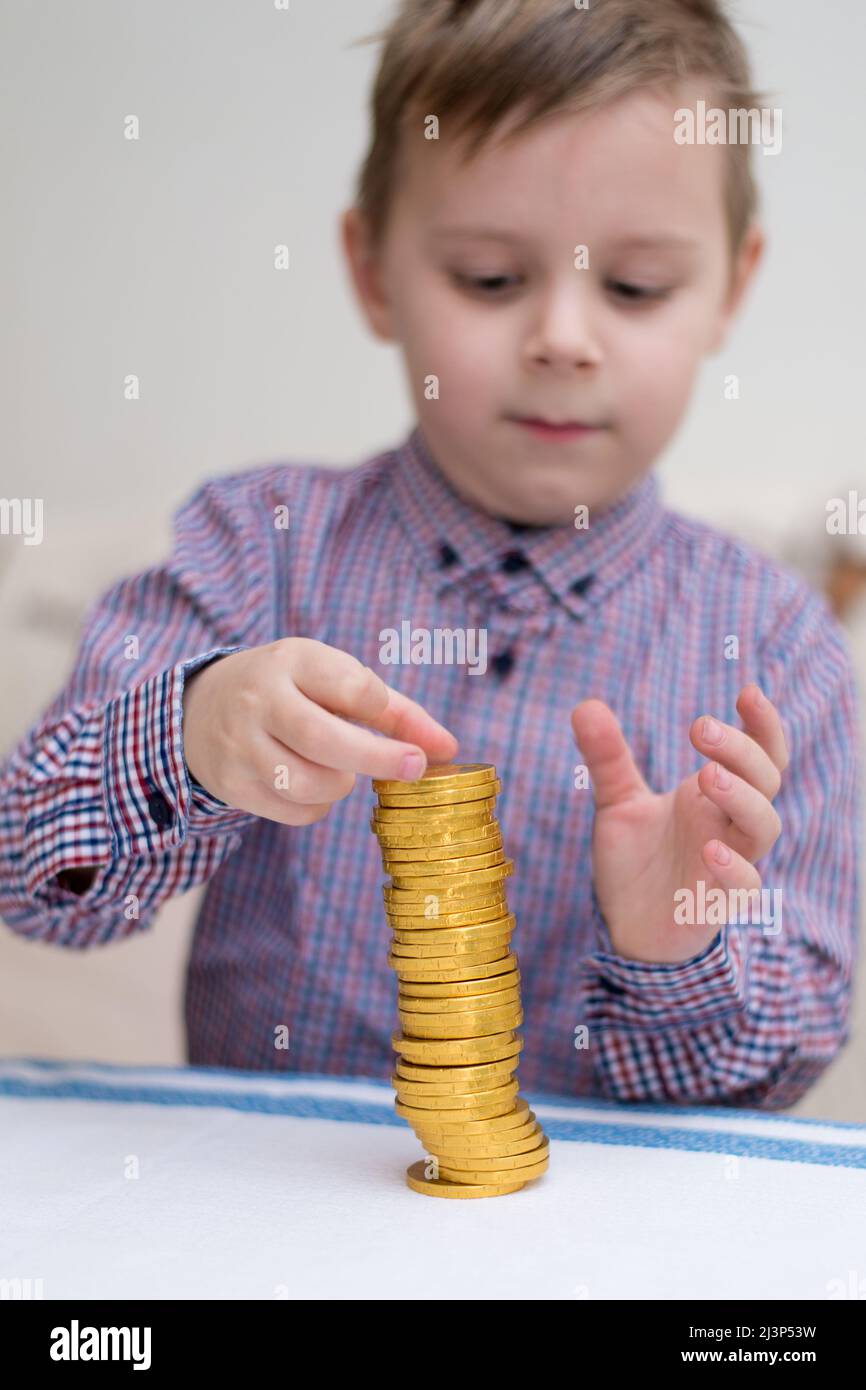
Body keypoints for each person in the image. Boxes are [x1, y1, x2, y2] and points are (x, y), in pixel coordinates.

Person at [0, 0, 860, 1107]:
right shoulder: (253, 547)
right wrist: (193, 730)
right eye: (490, 279)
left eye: (634, 287)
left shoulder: (781, 649)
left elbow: (778, 1074)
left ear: (729, 288)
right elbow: (32, 877)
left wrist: (675, 941)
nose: (561, 337)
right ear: (372, 272)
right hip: (264, 1231)